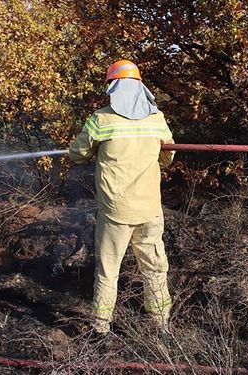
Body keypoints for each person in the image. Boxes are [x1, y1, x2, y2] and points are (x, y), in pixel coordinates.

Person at [69, 59, 176, 341]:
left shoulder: (100, 120)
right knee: (155, 269)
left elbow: (77, 154)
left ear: (113, 87)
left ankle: (100, 329)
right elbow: (168, 156)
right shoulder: (157, 119)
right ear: (141, 88)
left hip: (115, 211)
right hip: (150, 209)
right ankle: (161, 325)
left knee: (107, 271)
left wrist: (95, 151)